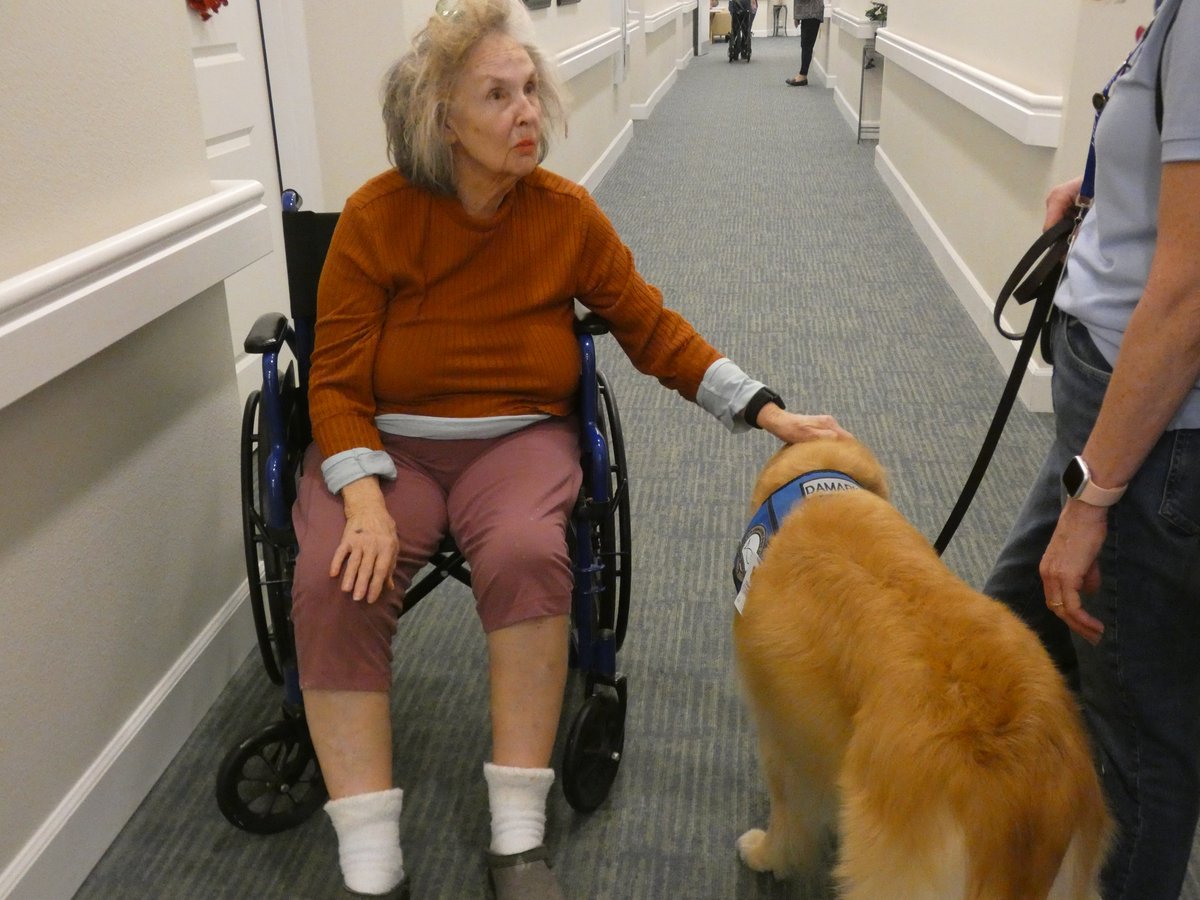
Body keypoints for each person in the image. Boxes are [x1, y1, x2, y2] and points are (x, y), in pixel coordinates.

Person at [289, 0, 848, 897]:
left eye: (530, 91)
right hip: (389, 445)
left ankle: (516, 835)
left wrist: (763, 409)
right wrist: (358, 497)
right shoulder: (375, 216)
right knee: (334, 574)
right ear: (442, 121)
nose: (528, 113)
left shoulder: (564, 214)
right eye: (498, 97)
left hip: (518, 439)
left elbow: (651, 327)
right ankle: (368, 852)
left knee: (525, 551)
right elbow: (335, 381)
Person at [983, 1, 1200, 896]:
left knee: (1139, 740)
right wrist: (1105, 200)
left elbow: (1189, 297)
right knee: (1001, 632)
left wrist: (1096, 498)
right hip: (1106, 407)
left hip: (1149, 442)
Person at [785, 0, 823, 86]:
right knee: (805, 45)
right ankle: (803, 75)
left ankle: (802, 75)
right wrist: (797, 16)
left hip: (812, 13)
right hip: (807, 13)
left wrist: (797, 16)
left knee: (807, 46)